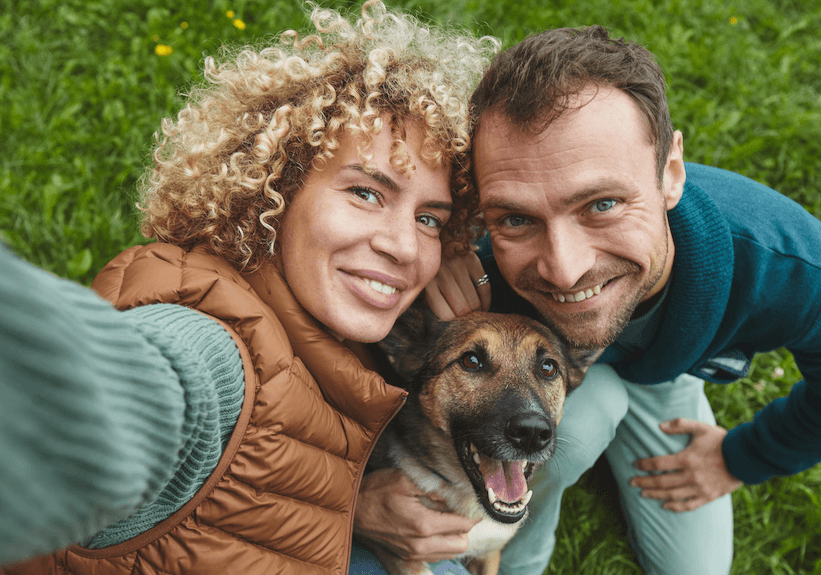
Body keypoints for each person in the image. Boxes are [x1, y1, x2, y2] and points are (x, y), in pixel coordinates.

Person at [0, 2, 497, 574]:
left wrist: (353, 509)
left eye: (430, 219)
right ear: (276, 190)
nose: (406, 248)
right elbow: (113, 394)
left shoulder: (345, 329)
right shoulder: (212, 348)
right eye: (365, 193)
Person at [356, 25, 821, 575]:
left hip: (669, 364)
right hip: (546, 375)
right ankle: (519, 553)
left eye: (601, 204)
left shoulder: (793, 268)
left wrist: (739, 457)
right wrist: (440, 244)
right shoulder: (463, 264)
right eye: (518, 218)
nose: (565, 269)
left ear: (670, 172)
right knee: (585, 422)